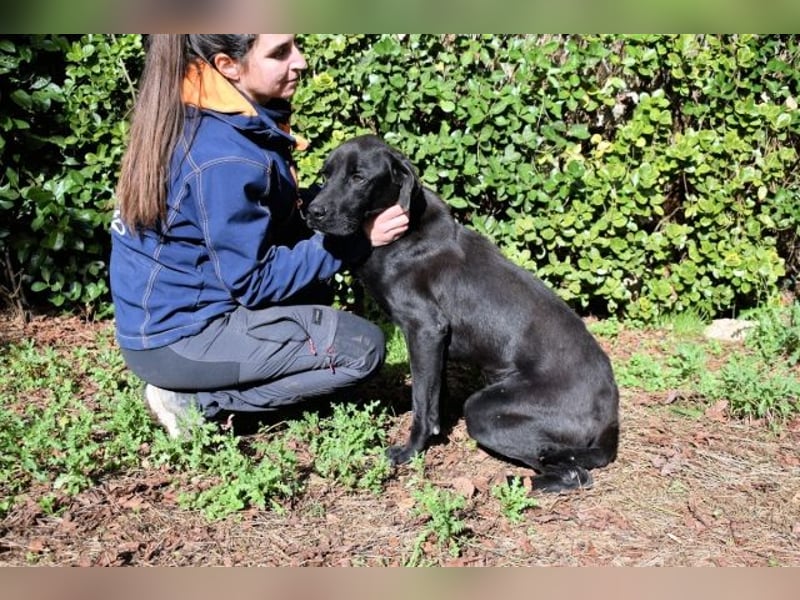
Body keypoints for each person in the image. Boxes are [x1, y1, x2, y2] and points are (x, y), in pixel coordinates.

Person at [110, 34, 409, 438]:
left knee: (314, 294)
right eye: (280, 53)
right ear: (227, 66)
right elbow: (254, 281)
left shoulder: (212, 114)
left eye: (295, 45)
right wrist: (358, 240)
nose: (300, 61)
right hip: (180, 338)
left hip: (161, 327)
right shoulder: (223, 157)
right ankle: (195, 403)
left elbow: (265, 212)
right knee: (361, 349)